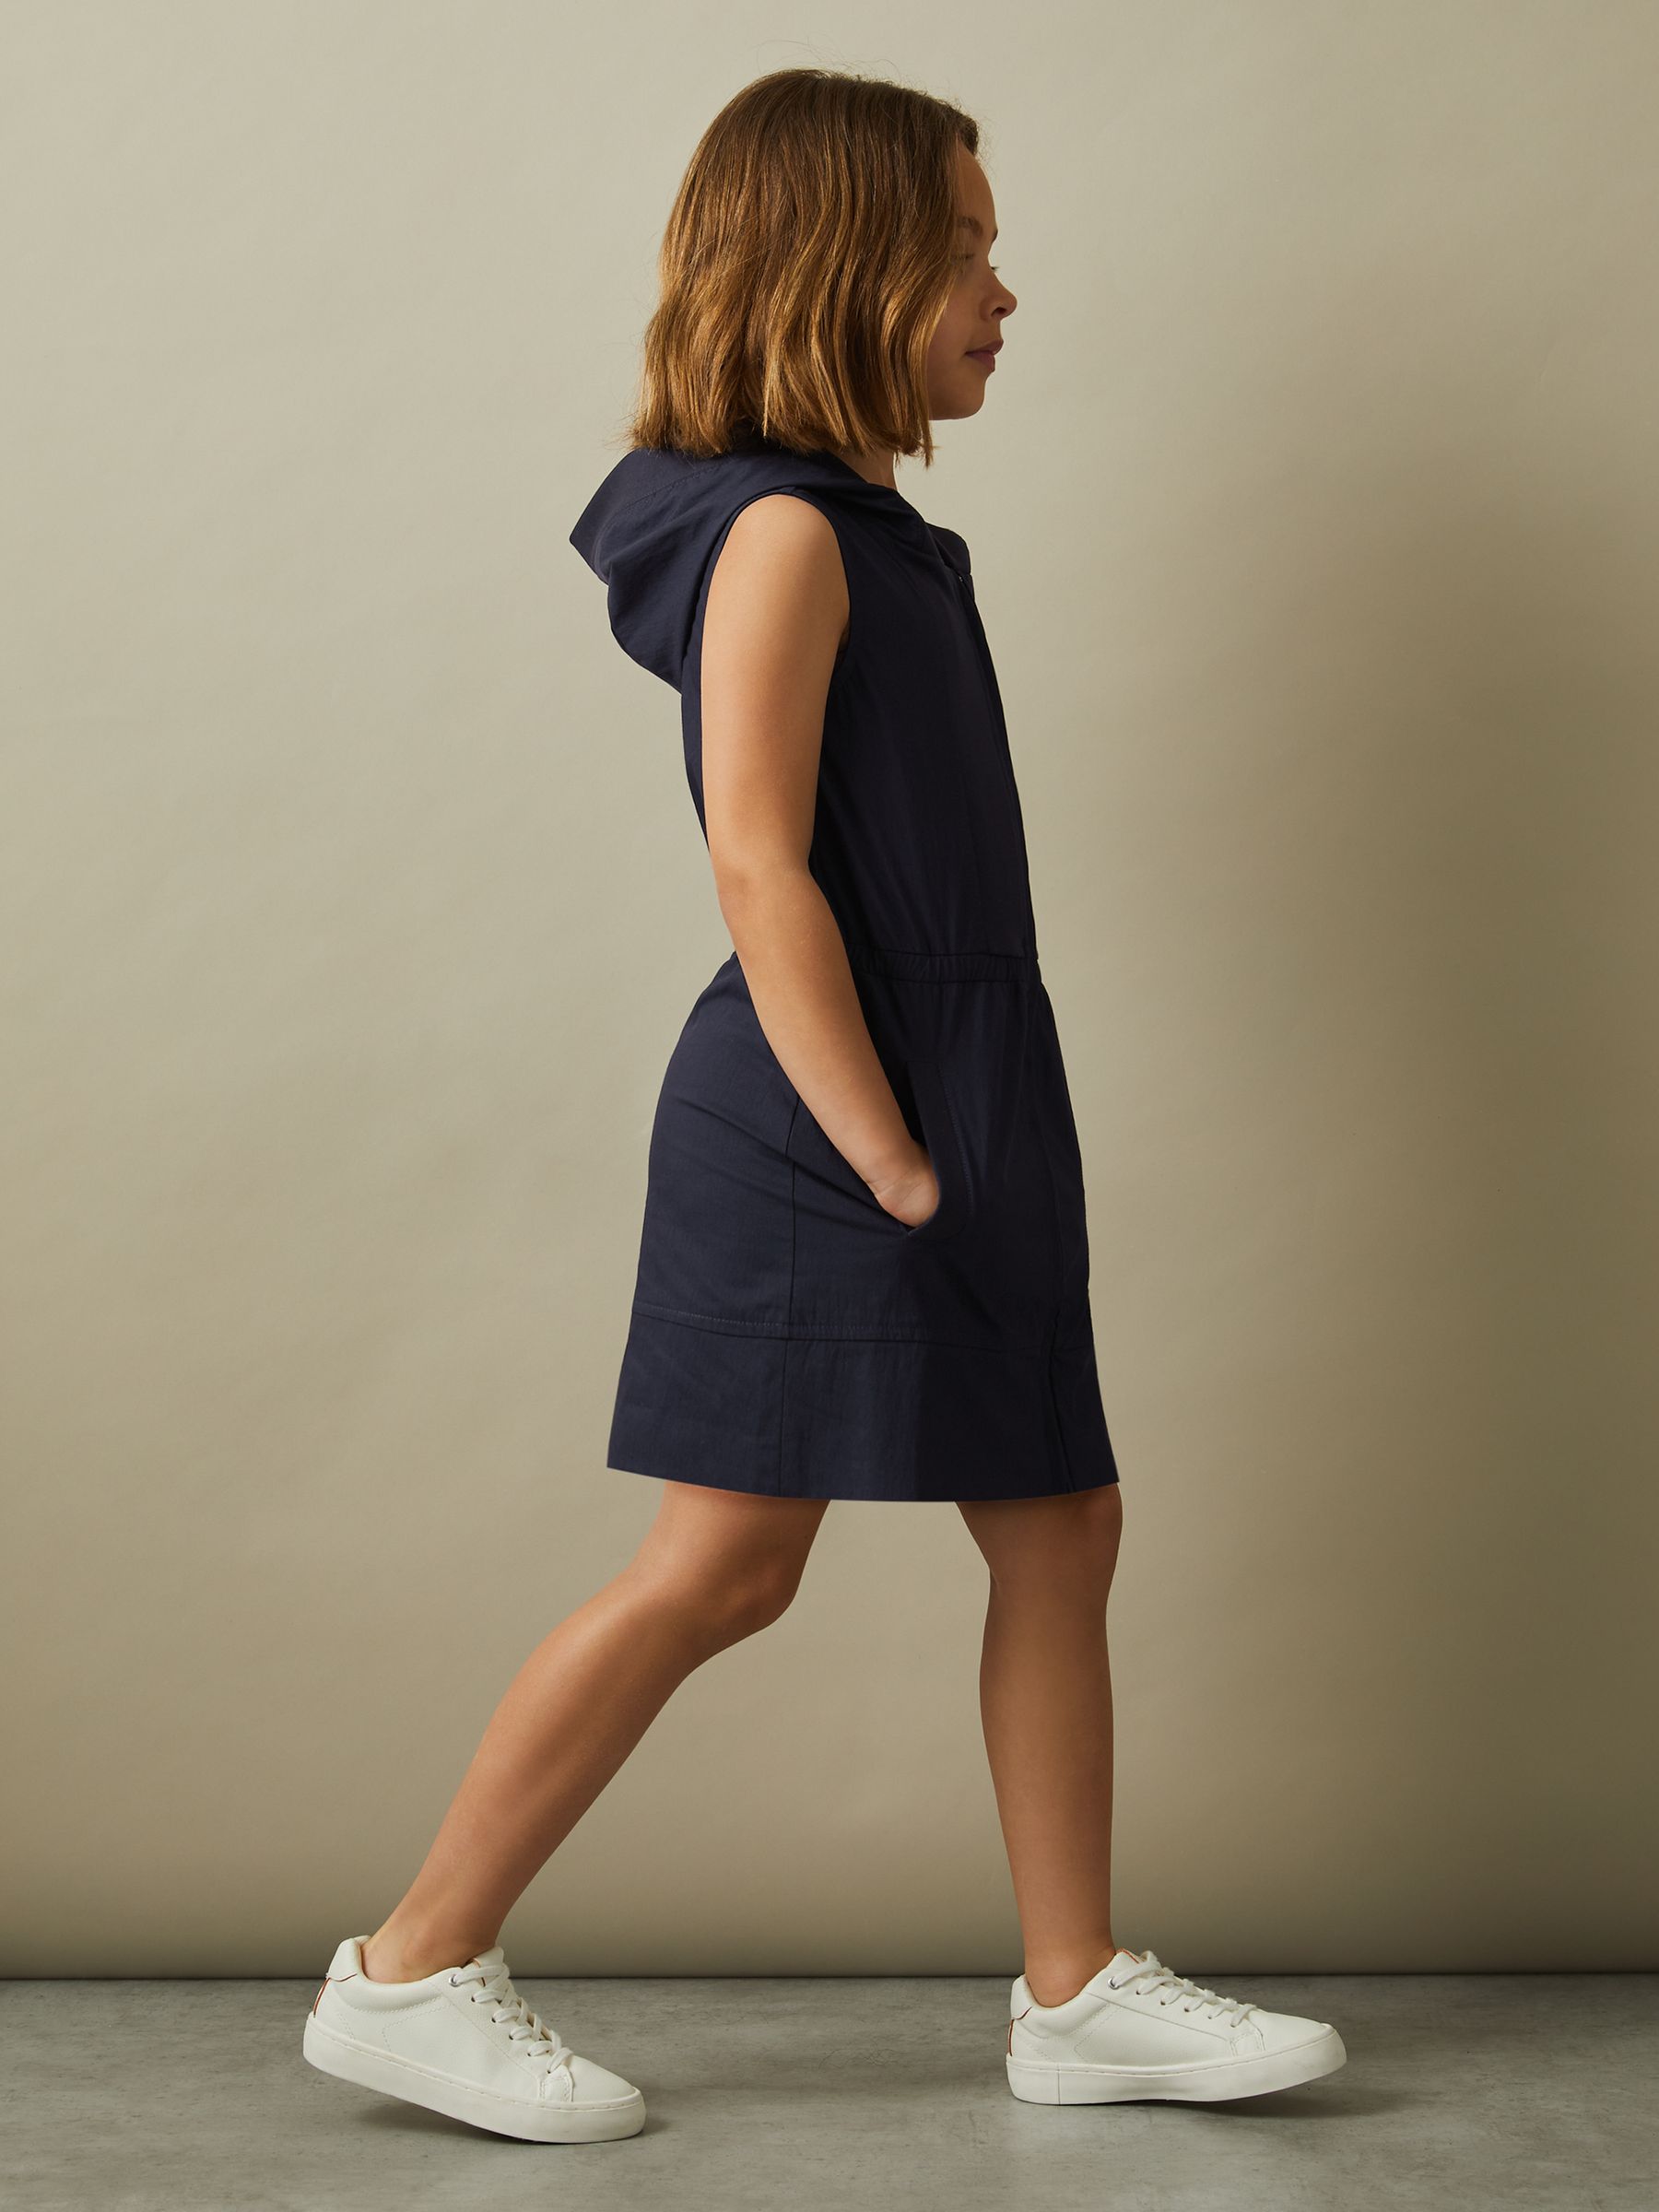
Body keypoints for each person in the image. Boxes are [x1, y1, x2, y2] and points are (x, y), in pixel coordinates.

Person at [302, 67, 1347, 2145]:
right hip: (824, 1111)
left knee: (1061, 1522)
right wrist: (886, 1152)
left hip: (965, 1083)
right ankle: (408, 1970)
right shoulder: (779, 536)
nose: (1003, 289)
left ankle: (1077, 1993)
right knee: (727, 1565)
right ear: (845, 264)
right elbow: (758, 863)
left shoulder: (884, 539)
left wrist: (965, 1131)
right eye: (964, 247)